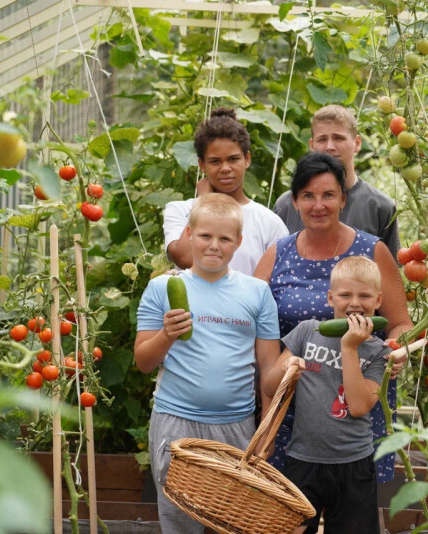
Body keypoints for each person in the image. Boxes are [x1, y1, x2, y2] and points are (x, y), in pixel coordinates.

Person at [254, 152, 412, 484]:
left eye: (328, 195)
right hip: (294, 408)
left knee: (354, 509)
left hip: (357, 401)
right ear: (294, 201)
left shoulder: (373, 251)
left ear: (343, 198)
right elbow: (260, 332)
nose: (318, 205)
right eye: (308, 196)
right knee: (291, 511)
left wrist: (400, 349)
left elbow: (399, 321)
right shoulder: (276, 255)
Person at [135, 193, 281, 533]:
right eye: (205, 236)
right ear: (189, 234)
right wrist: (167, 335)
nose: (214, 246)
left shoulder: (257, 293)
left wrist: (268, 427)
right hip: (176, 424)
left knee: (231, 522)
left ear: (239, 242)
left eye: (225, 238)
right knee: (178, 520)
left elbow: (268, 368)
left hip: (236, 426)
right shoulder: (162, 288)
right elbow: (143, 361)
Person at [262, 256, 389, 534]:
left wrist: (350, 348)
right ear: (331, 298)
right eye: (345, 295)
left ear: (378, 301)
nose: (355, 302)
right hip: (303, 459)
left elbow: (358, 406)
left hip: (354, 464)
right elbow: (269, 386)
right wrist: (287, 367)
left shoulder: (380, 352)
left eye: (364, 295)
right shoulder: (308, 331)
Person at [164, 108, 288, 276]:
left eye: (233, 159)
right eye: (215, 161)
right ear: (202, 165)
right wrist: (205, 201)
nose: (225, 168)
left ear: (247, 159)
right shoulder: (179, 210)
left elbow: (275, 284)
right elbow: (186, 258)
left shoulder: (269, 223)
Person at [273, 104, 400, 259]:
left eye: (338, 138)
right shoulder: (286, 206)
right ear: (312, 146)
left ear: (357, 143)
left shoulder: (380, 207)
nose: (330, 147)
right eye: (322, 139)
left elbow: (391, 273)